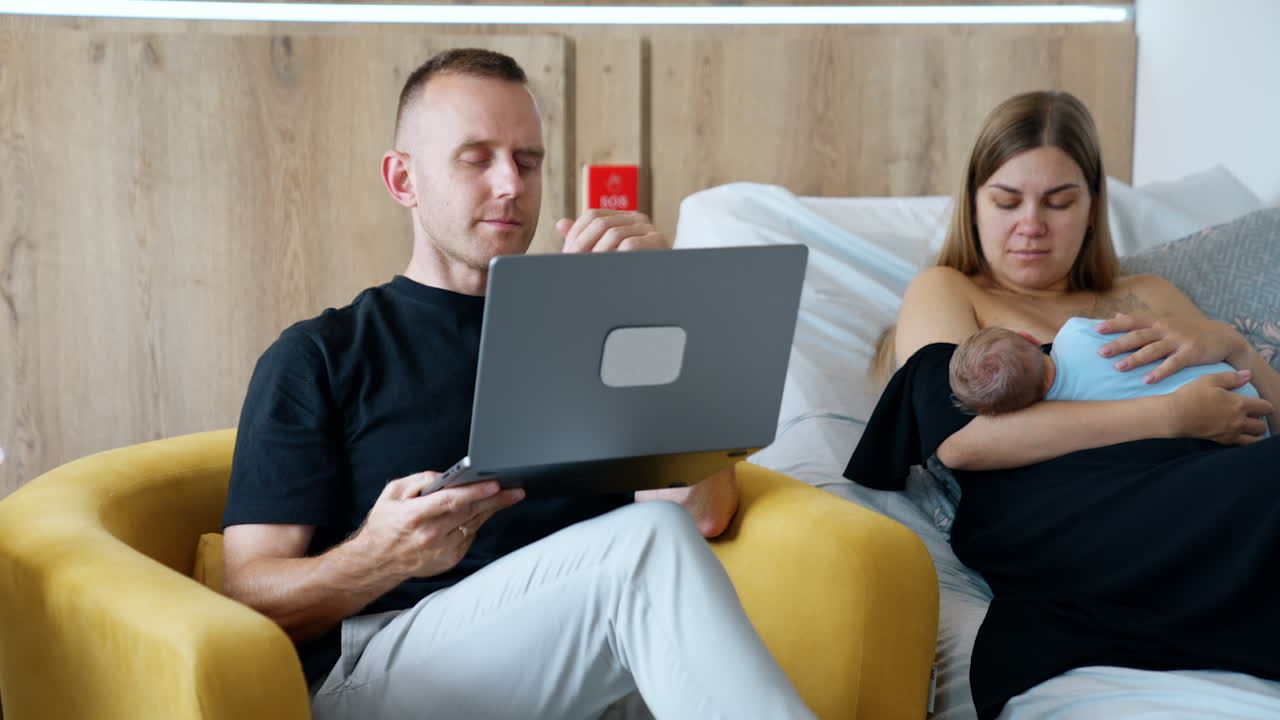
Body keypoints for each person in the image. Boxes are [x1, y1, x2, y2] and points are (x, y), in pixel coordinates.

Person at [220, 48, 815, 720]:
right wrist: (379, 557)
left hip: (587, 656)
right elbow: (247, 599)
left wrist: (655, 301)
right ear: (403, 179)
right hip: (384, 670)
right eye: (476, 159)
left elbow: (700, 513)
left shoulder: (596, 329)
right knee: (646, 546)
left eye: (527, 162)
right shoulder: (321, 355)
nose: (510, 184)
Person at [846, 90, 1279, 720]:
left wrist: (1237, 348)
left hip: (1202, 488)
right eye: (1007, 201)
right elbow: (961, 440)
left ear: (1092, 207)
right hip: (1065, 520)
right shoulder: (949, 290)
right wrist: (1169, 416)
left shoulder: (1148, 293)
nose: (1031, 225)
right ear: (973, 204)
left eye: (1058, 202)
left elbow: (1261, 414)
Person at [949, 319, 1267, 425]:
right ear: (1031, 338)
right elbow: (1132, 328)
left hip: (1236, 430)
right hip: (1240, 386)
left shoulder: (1069, 417)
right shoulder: (1073, 333)